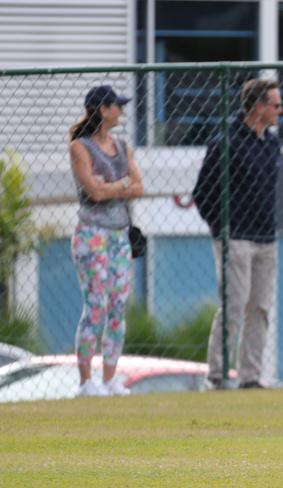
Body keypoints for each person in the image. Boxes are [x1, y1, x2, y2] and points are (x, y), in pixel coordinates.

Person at [193, 79, 283, 390]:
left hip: (265, 238)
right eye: (275, 105)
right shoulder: (226, 141)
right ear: (258, 107)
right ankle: (217, 375)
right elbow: (202, 193)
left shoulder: (271, 142)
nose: (280, 111)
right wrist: (222, 228)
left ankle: (250, 376)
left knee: (259, 307)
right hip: (236, 238)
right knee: (234, 304)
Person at [69, 85, 144, 397]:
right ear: (103, 109)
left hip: (118, 235)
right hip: (92, 235)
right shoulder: (80, 147)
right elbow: (93, 192)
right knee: (96, 305)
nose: (121, 111)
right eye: (117, 106)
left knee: (117, 306)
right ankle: (87, 381)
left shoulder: (122, 146)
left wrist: (113, 184)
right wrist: (121, 185)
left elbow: (139, 187)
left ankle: (110, 378)